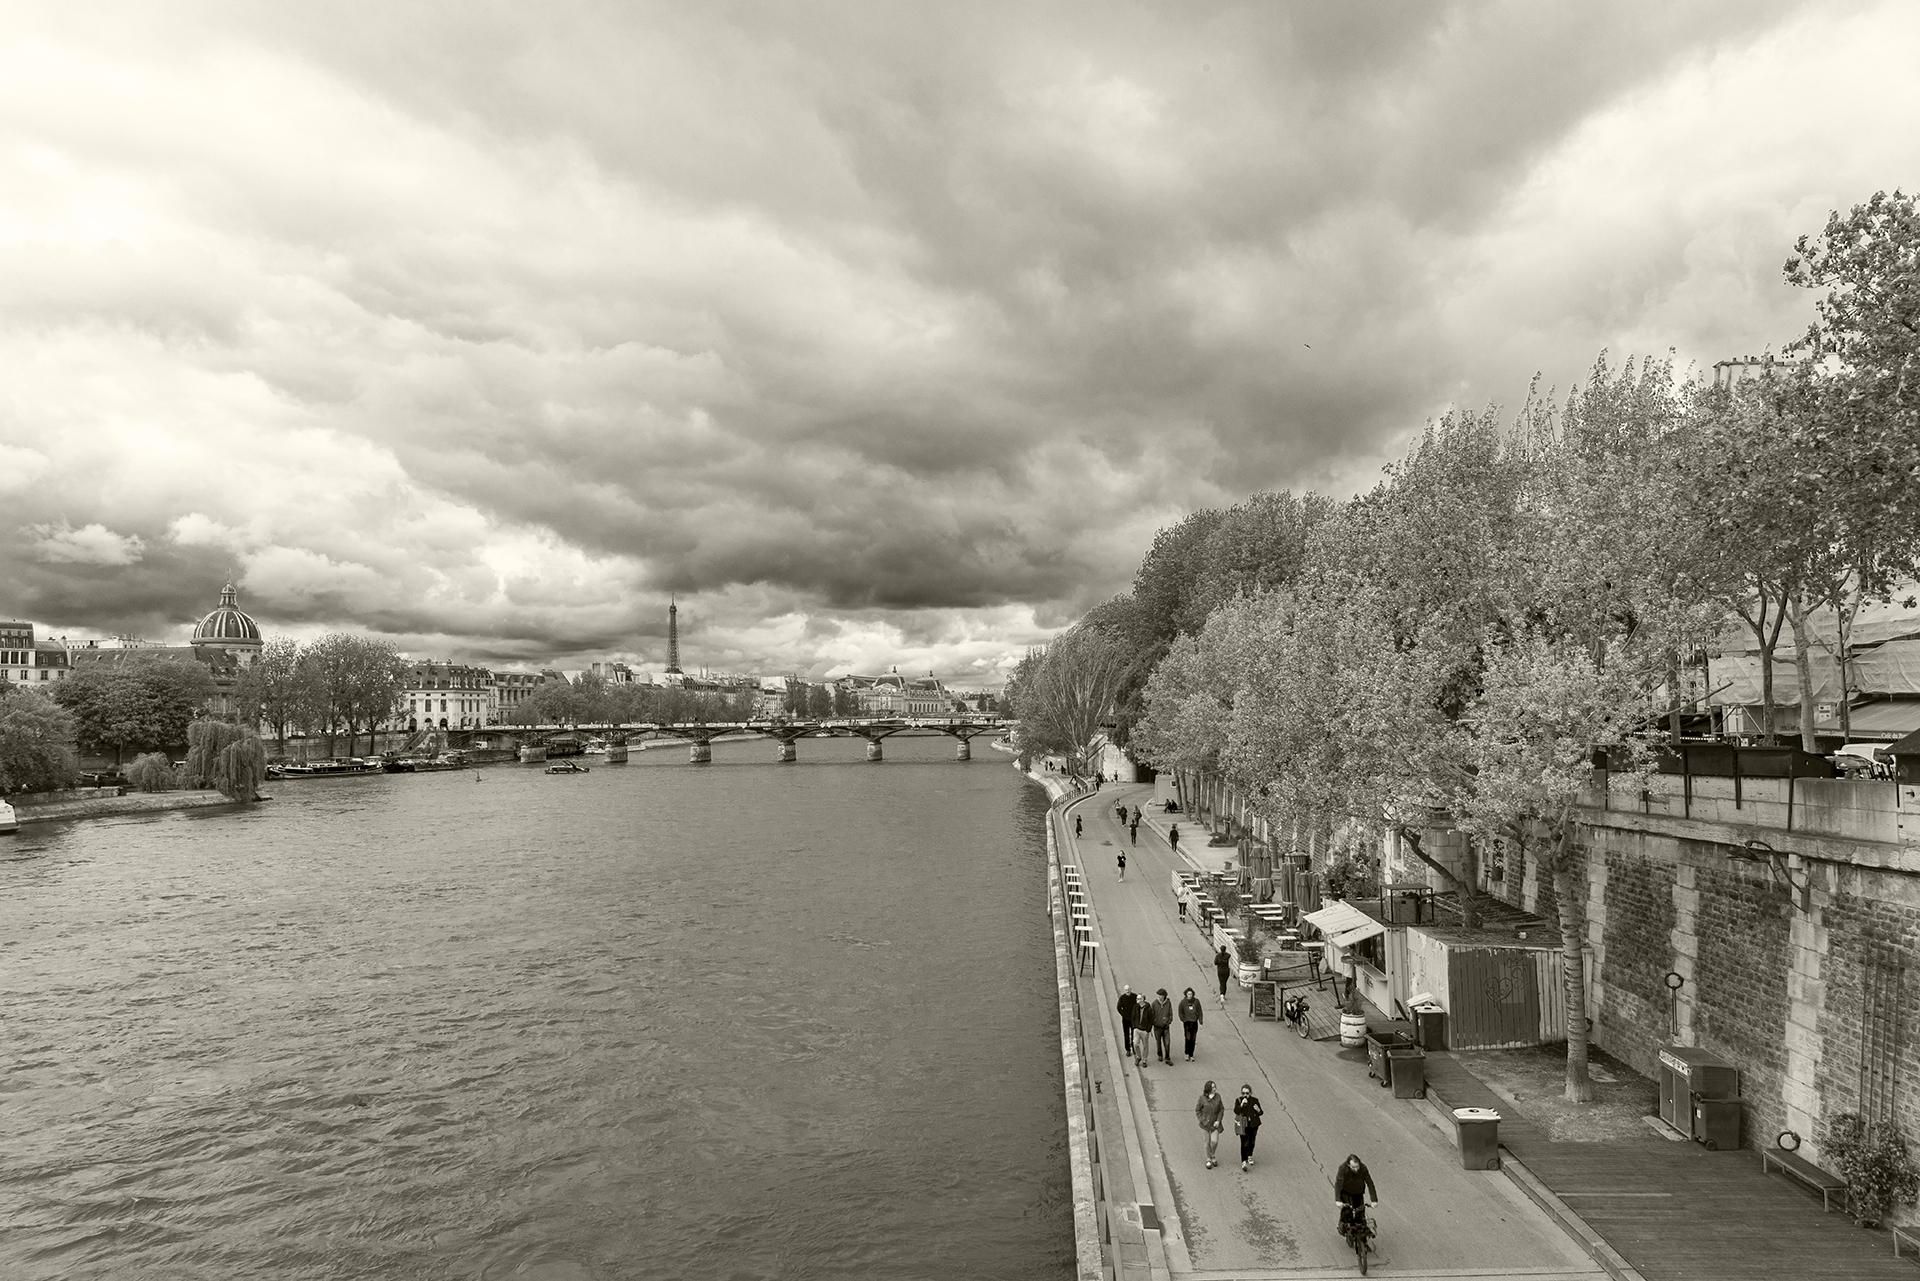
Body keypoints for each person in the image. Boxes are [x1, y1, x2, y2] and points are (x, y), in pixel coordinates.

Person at [1334, 1153, 1379, 1240]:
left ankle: (1363, 1241)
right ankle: (1342, 1226)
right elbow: (1338, 1184)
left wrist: (1374, 1200)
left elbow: (1370, 1183)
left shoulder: (1363, 1168)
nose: (1356, 1169)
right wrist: (1338, 1200)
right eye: (1353, 1167)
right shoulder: (1342, 1169)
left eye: (1357, 1166)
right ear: (1348, 1165)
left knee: (1360, 1214)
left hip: (1358, 1193)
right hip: (1345, 1193)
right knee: (1347, 1212)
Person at [1194, 1081, 1226, 1169]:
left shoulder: (1218, 1097)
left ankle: (1212, 1154)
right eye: (1213, 1087)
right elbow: (1197, 1110)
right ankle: (1209, 1159)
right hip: (1205, 1124)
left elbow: (1221, 1109)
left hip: (1215, 1124)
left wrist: (1218, 1120)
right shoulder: (1202, 1098)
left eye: (1215, 1086)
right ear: (1208, 1089)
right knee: (1207, 1142)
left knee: (1214, 1141)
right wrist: (1202, 1120)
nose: (1215, 1088)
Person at [1233, 1084, 1265, 1171]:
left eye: (1247, 1093)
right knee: (1244, 1143)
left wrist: (1258, 1110)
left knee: (1252, 1142)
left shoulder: (1255, 1100)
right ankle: (1243, 1161)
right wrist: (1242, 1104)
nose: (1245, 1095)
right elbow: (1236, 1111)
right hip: (1243, 1125)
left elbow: (1261, 1112)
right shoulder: (1239, 1100)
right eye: (1243, 1093)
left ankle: (1249, 1155)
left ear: (1250, 1093)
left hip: (1253, 1125)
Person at [1177, 986, 1204, 1061]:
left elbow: (1200, 1011)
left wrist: (1200, 1021)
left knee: (1193, 1039)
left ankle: (1191, 1055)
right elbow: (1180, 1011)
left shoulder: (1196, 1001)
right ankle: (1186, 1053)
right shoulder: (1183, 1002)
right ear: (1186, 994)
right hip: (1187, 1023)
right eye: (1188, 994)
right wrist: (1183, 1019)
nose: (1190, 995)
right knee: (1188, 1038)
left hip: (1194, 1022)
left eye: (1191, 994)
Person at [1150, 988, 1175, 1063]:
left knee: (1167, 1043)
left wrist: (1169, 1021)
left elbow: (1170, 1013)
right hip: (1157, 1027)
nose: (1160, 997)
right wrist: (1153, 1022)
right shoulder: (1154, 1003)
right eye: (1159, 995)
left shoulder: (1168, 1003)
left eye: (1161, 995)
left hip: (1166, 1027)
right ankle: (1160, 1055)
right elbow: (1151, 1014)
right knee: (1158, 1042)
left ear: (1164, 996)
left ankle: (1167, 1057)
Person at [1132, 993, 1155, 1068]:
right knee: (1135, 1044)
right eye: (1137, 999)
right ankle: (1138, 1057)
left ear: (1143, 1000)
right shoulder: (1135, 1007)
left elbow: (1151, 1020)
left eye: (1138, 999)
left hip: (1144, 1030)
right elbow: (1133, 1016)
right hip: (1137, 1029)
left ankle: (1144, 1060)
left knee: (1145, 1046)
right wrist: (1134, 1026)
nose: (1137, 1000)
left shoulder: (1148, 1008)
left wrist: (1148, 1030)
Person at [1117, 985, 1140, 1057]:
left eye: (1128, 989)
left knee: (1134, 1035)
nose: (1127, 991)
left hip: (1133, 1020)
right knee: (1126, 1035)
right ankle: (1128, 1050)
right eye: (1126, 990)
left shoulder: (1135, 997)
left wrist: (1136, 1015)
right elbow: (1118, 1007)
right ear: (1124, 990)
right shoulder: (1122, 998)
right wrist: (1123, 1014)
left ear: (1131, 989)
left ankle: (1134, 1049)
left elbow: (1138, 1006)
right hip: (1125, 1020)